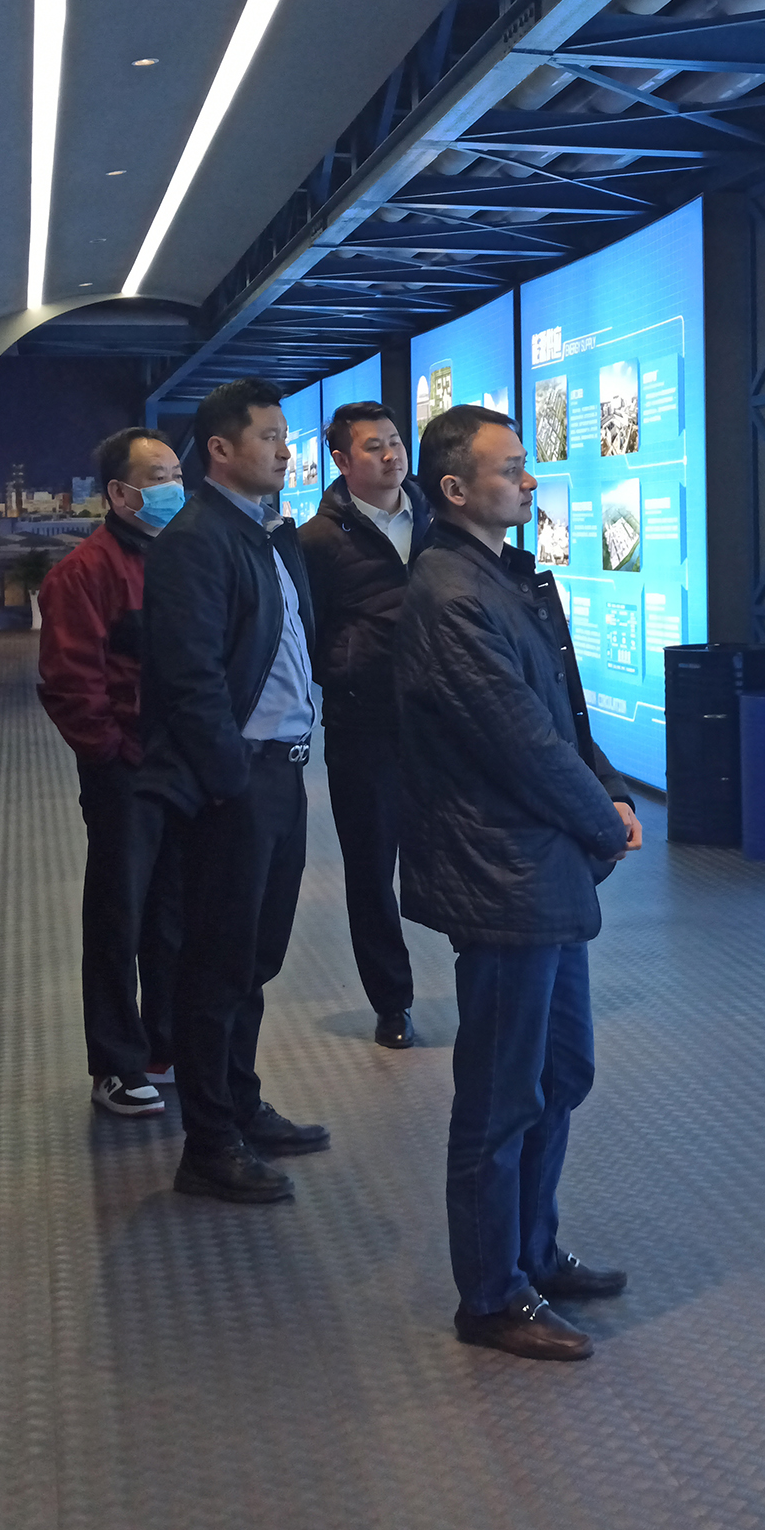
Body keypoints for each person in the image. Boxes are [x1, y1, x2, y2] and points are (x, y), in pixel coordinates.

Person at [395, 404, 638, 1362]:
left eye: (526, 465)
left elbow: (564, 718)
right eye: (510, 469)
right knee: (502, 1096)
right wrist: (603, 821)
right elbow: (519, 741)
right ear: (456, 490)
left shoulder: (508, 577)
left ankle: (532, 1251)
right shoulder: (449, 594)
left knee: (560, 1072)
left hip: (540, 866)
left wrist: (610, 792)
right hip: (499, 873)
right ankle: (492, 1296)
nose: (530, 481)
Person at [139, 379, 332, 1204]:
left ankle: (241, 1105)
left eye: (287, 436)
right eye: (270, 437)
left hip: (280, 773)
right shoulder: (196, 540)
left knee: (254, 958)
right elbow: (189, 679)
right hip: (239, 781)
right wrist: (228, 782)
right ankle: (209, 1142)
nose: (286, 450)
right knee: (216, 964)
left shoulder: (263, 534)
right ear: (220, 449)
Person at [37, 424, 188, 1118]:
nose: (174, 488)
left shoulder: (183, 558)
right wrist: (112, 755)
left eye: (177, 474)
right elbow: (71, 682)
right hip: (126, 773)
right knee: (117, 918)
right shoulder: (84, 571)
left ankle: (163, 1046)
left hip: (185, 769)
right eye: (159, 478)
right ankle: (115, 1064)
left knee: (173, 914)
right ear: (121, 495)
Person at [297, 399, 432, 1048]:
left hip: (442, 719)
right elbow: (307, 630)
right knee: (372, 867)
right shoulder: (318, 542)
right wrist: (348, 669)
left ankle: (486, 978)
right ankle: (391, 1001)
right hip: (362, 725)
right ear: (342, 460)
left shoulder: (437, 519)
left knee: (465, 848)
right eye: (373, 446)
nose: (390, 454)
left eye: (395, 440)